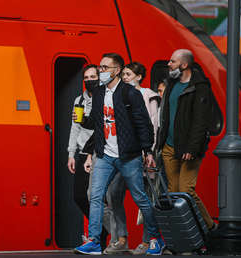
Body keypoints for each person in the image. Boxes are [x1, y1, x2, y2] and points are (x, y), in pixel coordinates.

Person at [74, 53, 165, 255]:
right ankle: (94, 241)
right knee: (96, 196)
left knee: (140, 198)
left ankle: (155, 238)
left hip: (128, 156)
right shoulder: (98, 93)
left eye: (105, 68)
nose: (101, 71)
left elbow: (144, 124)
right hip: (105, 155)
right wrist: (82, 121)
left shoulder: (129, 93)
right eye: (100, 67)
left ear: (116, 70)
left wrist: (147, 150)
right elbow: (97, 123)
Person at [101, 62, 161, 255]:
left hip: (140, 155)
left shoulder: (148, 96)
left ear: (139, 77)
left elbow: (151, 125)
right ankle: (121, 237)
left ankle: (149, 240)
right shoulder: (118, 94)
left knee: (142, 198)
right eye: (124, 74)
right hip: (122, 154)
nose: (125, 77)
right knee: (114, 194)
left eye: (128, 74)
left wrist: (148, 152)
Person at [157, 49, 217, 232]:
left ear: (184, 65)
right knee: (173, 194)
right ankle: (182, 236)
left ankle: (210, 227)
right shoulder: (171, 85)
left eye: (172, 61)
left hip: (188, 149)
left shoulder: (200, 87)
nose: (169, 64)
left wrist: (192, 147)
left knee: (186, 192)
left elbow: (201, 121)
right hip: (169, 147)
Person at [67, 64, 109, 250]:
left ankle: (101, 235)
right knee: (79, 196)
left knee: (96, 196)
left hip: (99, 153)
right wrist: (71, 153)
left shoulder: (104, 99)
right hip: (83, 152)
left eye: (93, 77)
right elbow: (75, 127)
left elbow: (100, 128)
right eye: (86, 77)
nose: (89, 80)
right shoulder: (79, 100)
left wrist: (91, 154)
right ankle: (103, 230)